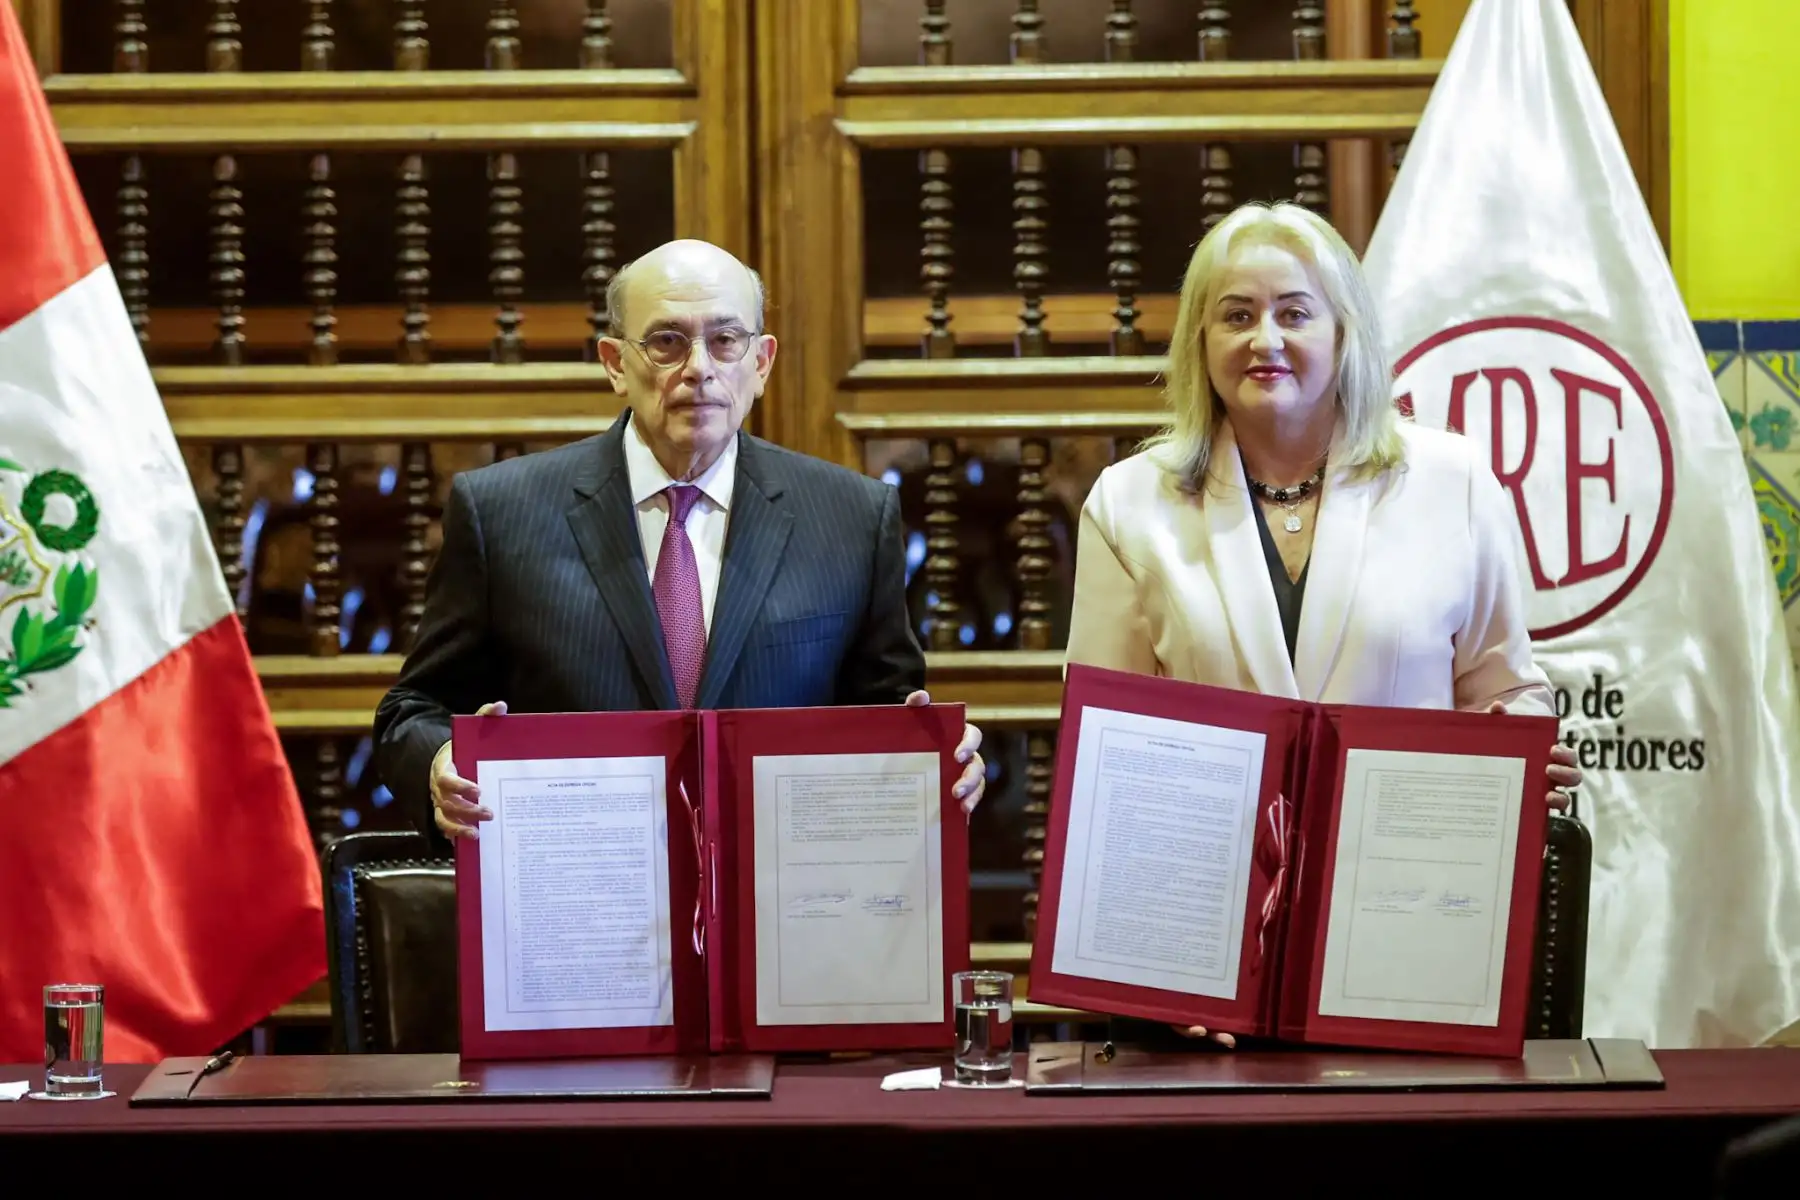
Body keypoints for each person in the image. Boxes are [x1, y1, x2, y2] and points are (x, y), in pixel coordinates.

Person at [1066, 201, 1582, 1046]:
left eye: (1295, 313)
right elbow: (1108, 759)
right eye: (1236, 315)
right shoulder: (1129, 504)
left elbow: (1506, 687)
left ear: (1346, 334)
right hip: (1201, 944)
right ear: (1200, 341)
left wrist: (1522, 755)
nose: (1264, 339)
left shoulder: (1453, 481)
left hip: (1407, 924)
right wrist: (1154, 956)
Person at [374, 238, 985, 843]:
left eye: (725, 340)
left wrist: (939, 758)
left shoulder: (853, 517)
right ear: (616, 363)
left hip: (775, 882)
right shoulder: (501, 513)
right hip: (582, 879)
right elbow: (413, 710)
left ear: (761, 362)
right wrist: (440, 764)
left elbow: (888, 715)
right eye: (667, 341)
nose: (699, 368)